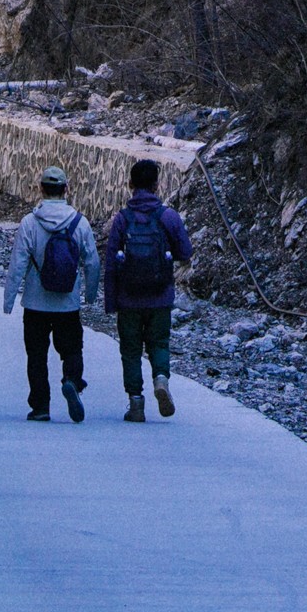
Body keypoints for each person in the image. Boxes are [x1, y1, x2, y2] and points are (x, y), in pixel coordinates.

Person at [2, 165, 101, 422]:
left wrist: (9, 298)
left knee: (36, 355)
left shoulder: (29, 223)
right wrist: (90, 294)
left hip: (35, 303)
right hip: (67, 303)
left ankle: (40, 407)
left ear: (41, 189)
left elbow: (18, 263)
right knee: (71, 349)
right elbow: (92, 262)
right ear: (66, 189)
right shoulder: (80, 223)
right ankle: (71, 381)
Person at [102, 156, 192, 423]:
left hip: (128, 298)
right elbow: (186, 251)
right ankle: (161, 379)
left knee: (130, 350)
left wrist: (110, 301)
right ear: (156, 185)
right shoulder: (168, 216)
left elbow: (110, 263)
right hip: (160, 295)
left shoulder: (122, 219)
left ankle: (136, 403)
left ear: (130, 184)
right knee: (159, 343)